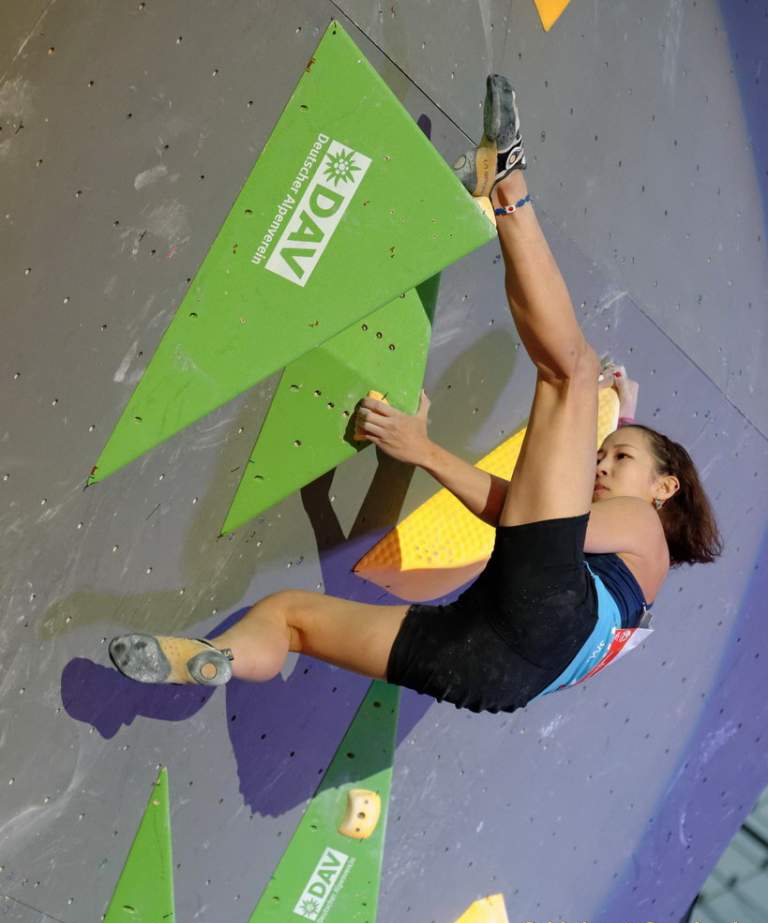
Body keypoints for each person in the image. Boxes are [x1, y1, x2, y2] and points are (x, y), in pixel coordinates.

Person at [108, 76, 722, 713]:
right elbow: (539, 521)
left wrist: (425, 450)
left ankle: (508, 183)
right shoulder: (637, 578)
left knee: (571, 371)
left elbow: (528, 518)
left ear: (666, 487)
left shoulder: (643, 523)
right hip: (497, 676)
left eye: (617, 457)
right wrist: (622, 420)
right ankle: (219, 657)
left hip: (545, 613)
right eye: (603, 454)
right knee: (290, 618)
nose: (599, 464)